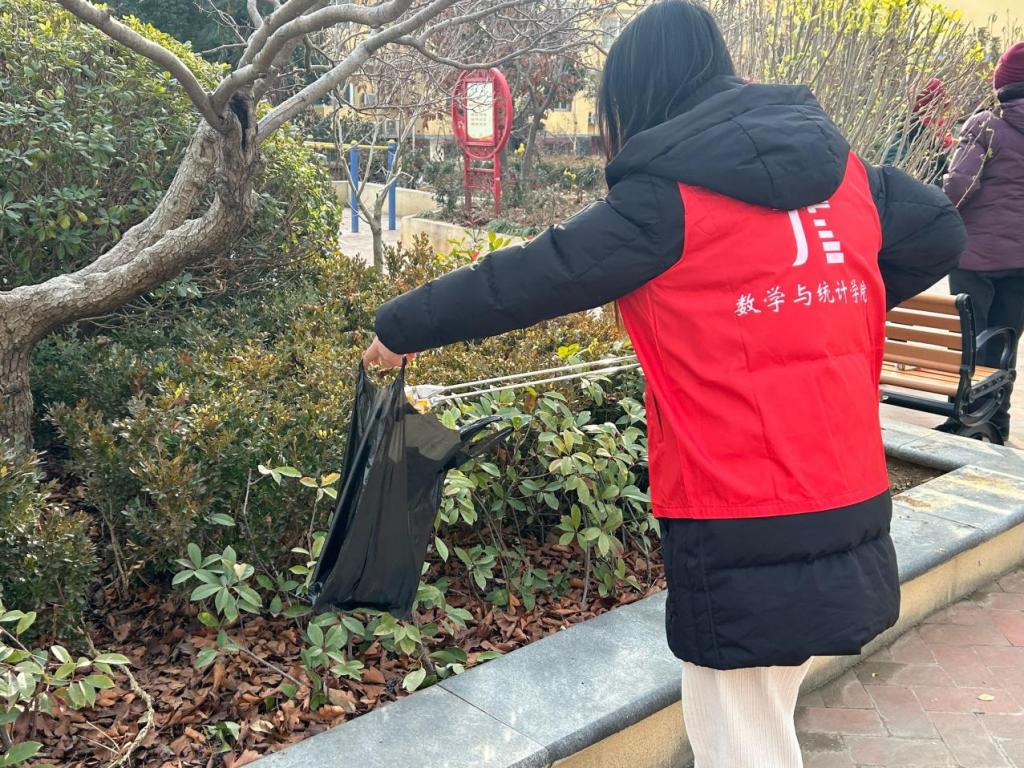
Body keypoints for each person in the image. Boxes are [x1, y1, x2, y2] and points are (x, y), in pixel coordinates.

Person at [364, 2, 965, 765]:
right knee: (762, 716)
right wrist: (823, 316)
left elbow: (527, 278)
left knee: (738, 736)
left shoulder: (665, 202)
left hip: (739, 509)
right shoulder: (848, 177)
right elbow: (940, 228)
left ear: (642, 93)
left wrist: (398, 327)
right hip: (848, 497)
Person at [943, 42, 1024, 443]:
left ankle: (962, 420)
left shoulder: (986, 126)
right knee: (1004, 344)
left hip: (975, 258)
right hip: (1020, 262)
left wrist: (943, 211)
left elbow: (961, 184)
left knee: (968, 345)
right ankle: (996, 423)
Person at [882, 78, 954, 184]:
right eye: (940, 108)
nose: (942, 114)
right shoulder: (904, 131)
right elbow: (891, 172)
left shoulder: (941, 136)